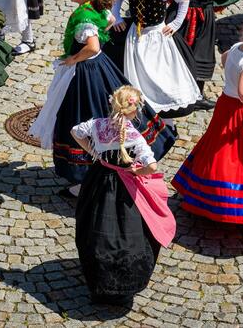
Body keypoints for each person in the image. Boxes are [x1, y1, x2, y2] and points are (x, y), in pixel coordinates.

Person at [28, 0, 175, 197]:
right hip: (101, 67)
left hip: (85, 72)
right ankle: (107, 168)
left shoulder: (85, 16)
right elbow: (110, 20)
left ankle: (84, 179)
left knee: (81, 116)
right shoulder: (96, 7)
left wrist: (73, 59)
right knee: (104, 113)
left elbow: (93, 46)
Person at [173, 13, 243, 226]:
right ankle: (234, 206)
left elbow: (224, 59)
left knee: (215, 148)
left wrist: (231, 81)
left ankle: (202, 195)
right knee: (242, 156)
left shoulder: (237, 47)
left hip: (226, 104)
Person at [71, 85, 175, 306]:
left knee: (94, 229)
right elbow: (152, 166)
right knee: (130, 233)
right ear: (134, 110)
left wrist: (94, 153)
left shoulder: (96, 125)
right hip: (126, 188)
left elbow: (76, 132)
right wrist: (138, 171)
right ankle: (123, 286)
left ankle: (98, 283)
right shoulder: (134, 136)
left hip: (98, 180)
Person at [109, 0, 201, 115]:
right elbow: (116, 0)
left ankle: (164, 111)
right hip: (136, 36)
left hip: (157, 35)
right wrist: (117, 17)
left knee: (159, 72)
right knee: (138, 73)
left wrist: (176, 23)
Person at [168, 0, 229, 108]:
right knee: (201, 52)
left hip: (179, 13)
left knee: (176, 49)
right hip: (205, 16)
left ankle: (172, 90)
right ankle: (197, 96)